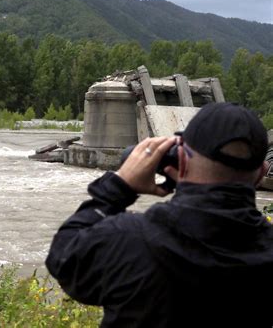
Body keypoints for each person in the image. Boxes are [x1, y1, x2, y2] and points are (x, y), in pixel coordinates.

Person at [45, 102, 273, 327]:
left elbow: (64, 257)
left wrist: (119, 187)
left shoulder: (128, 240)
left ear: (181, 160)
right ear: (261, 173)